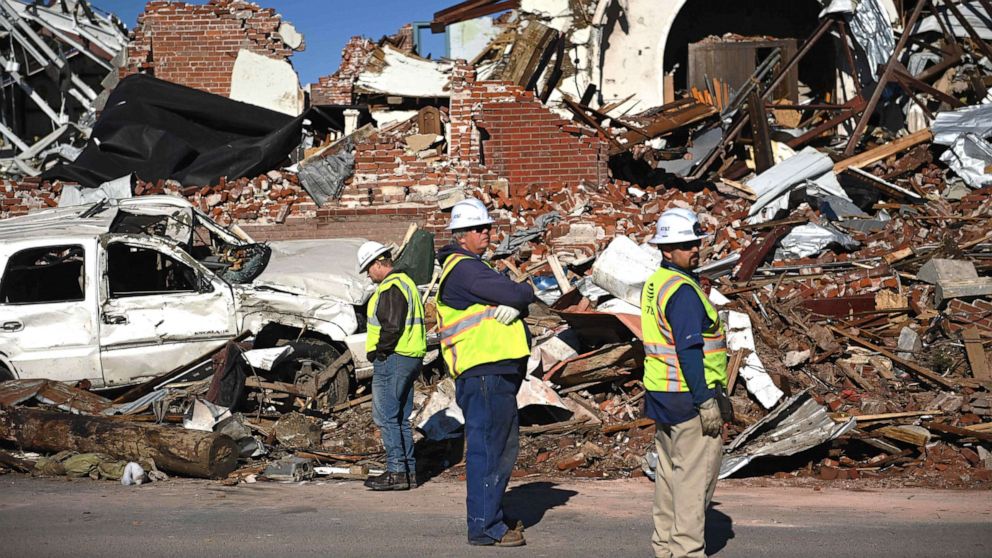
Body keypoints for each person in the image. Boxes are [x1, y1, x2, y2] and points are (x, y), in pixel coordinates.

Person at [435, 197, 535, 548]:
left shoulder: (472, 266)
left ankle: (490, 514)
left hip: (490, 372)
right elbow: (517, 291)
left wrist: (513, 304)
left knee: (497, 449)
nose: (487, 233)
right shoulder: (465, 269)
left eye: (488, 227)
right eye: (479, 228)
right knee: (490, 450)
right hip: (485, 373)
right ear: (461, 235)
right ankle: (485, 526)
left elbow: (504, 298)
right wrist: (522, 294)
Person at [640, 208, 729, 558]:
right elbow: (690, 351)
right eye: (685, 244)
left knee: (669, 473)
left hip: (662, 392)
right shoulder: (683, 292)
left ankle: (664, 547)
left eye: (695, 242)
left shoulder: (656, 283)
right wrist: (706, 400)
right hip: (689, 396)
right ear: (666, 250)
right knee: (694, 478)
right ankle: (687, 552)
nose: (694, 249)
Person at [357, 240, 426, 491]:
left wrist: (379, 353)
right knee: (399, 417)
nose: (367, 273)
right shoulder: (406, 283)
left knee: (386, 416)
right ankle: (408, 472)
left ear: (378, 263)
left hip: (394, 358)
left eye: (368, 267)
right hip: (411, 356)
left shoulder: (390, 287)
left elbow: (392, 326)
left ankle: (397, 471)